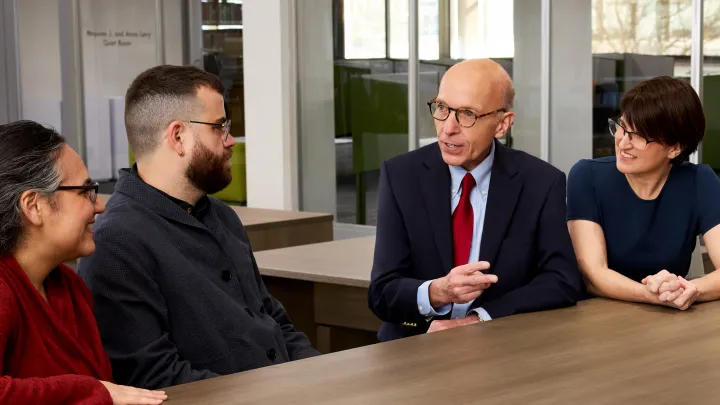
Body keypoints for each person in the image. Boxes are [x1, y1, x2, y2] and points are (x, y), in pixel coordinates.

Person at [78, 65, 320, 389]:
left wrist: (324, 376)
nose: (231, 140)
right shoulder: (117, 242)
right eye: (220, 127)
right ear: (178, 137)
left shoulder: (223, 216)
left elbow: (273, 321)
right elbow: (155, 377)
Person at [368, 59, 585, 341]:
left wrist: (480, 319)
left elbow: (561, 281)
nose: (448, 128)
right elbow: (382, 292)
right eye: (442, 109)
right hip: (415, 346)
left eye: (467, 114)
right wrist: (437, 292)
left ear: (502, 124)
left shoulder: (541, 182)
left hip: (503, 347)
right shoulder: (401, 176)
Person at [0, 120, 167, 405]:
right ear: (34, 206)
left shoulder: (68, 286)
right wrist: (90, 391)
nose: (100, 205)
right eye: (84, 192)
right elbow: (101, 390)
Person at [567, 76, 720, 310]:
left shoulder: (700, 181)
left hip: (665, 319)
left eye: (639, 136)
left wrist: (692, 289)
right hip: (595, 315)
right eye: (622, 128)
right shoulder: (587, 177)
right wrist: (654, 295)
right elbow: (593, 275)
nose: (623, 143)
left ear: (675, 148)